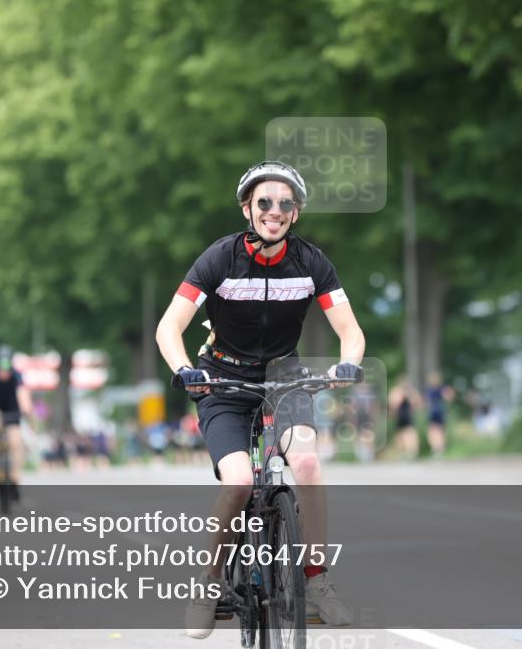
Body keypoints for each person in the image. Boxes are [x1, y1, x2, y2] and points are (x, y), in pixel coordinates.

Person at [156, 160, 365, 638]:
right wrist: (185, 370)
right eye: (264, 202)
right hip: (222, 380)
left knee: (308, 465)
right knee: (238, 483)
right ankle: (209, 583)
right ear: (248, 208)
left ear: (296, 213)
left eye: (285, 203)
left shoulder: (312, 263)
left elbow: (350, 331)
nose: (275, 210)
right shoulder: (219, 259)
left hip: (284, 376)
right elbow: (169, 326)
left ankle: (315, 582)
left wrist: (346, 363)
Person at [0, 345, 33, 501]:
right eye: (1, 367)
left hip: (13, 412)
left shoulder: (17, 376)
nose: (5, 372)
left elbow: (23, 395)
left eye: (7, 367)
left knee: (16, 441)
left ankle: (15, 479)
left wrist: (27, 409)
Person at [388, 377, 422, 459]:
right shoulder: (396, 392)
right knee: (400, 435)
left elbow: (417, 402)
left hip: (407, 415)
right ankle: (403, 452)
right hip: (399, 415)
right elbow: (392, 404)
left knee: (410, 433)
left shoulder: (411, 392)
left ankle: (412, 451)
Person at [424, 372, 455, 458]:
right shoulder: (441, 389)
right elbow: (448, 398)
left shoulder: (431, 390)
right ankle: (438, 450)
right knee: (438, 431)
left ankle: (437, 449)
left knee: (434, 431)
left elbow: (427, 402)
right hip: (439, 411)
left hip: (435, 411)